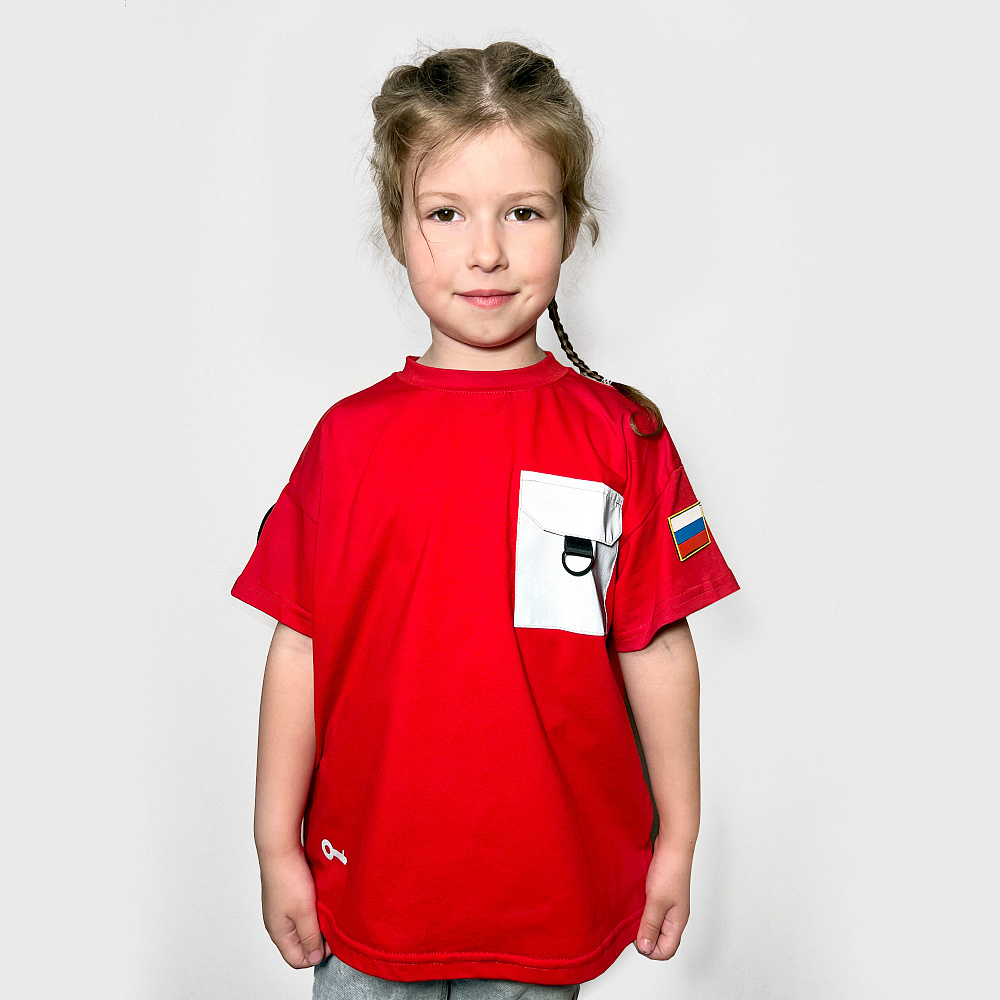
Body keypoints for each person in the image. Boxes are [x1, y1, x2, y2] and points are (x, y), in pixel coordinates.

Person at [231, 40, 740, 1000]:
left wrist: (679, 837)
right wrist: (273, 843)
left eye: (524, 212)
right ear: (396, 228)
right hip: (372, 895)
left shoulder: (621, 436)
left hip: (546, 896)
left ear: (572, 223)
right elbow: (299, 645)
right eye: (446, 213)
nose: (487, 251)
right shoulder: (346, 440)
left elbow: (659, 644)